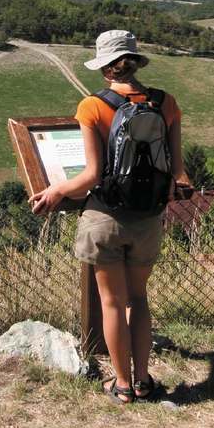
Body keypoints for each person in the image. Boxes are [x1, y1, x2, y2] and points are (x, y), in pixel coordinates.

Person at [30, 29, 190, 404]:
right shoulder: (166, 104)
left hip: (105, 217)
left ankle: (121, 384)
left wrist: (54, 191)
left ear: (104, 68)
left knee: (113, 303)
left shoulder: (93, 106)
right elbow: (179, 170)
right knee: (139, 298)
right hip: (148, 218)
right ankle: (145, 379)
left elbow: (90, 175)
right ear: (135, 62)